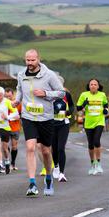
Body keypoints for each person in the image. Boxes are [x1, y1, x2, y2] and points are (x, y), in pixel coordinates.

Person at [12, 49, 65, 197]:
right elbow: (20, 90)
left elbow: (61, 93)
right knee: (30, 147)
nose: (29, 63)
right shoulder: (21, 74)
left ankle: (49, 178)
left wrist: (46, 93)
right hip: (28, 117)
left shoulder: (49, 75)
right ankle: (32, 183)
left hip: (45, 118)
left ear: (38, 59)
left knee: (46, 151)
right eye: (27, 60)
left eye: (32, 60)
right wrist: (16, 101)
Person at [76, 79, 109, 176]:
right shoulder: (84, 95)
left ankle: (98, 163)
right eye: (91, 84)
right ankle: (92, 164)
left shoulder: (102, 95)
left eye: (95, 84)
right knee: (90, 144)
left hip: (99, 121)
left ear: (98, 86)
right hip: (88, 123)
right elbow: (78, 108)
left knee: (96, 141)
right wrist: (84, 104)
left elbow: (106, 104)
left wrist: (106, 110)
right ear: (89, 86)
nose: (93, 86)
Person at [51, 76, 74, 183]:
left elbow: (72, 106)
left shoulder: (66, 94)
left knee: (61, 148)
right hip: (51, 124)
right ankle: (55, 166)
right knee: (54, 148)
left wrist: (68, 112)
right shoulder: (48, 95)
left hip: (64, 124)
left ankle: (62, 173)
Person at [5, 88, 22, 171]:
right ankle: (7, 162)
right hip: (5, 127)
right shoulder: (3, 103)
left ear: (13, 95)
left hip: (15, 127)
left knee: (14, 146)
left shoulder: (18, 104)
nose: (8, 98)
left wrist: (18, 116)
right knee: (5, 145)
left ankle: (13, 163)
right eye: (6, 96)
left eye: (10, 96)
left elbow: (22, 114)